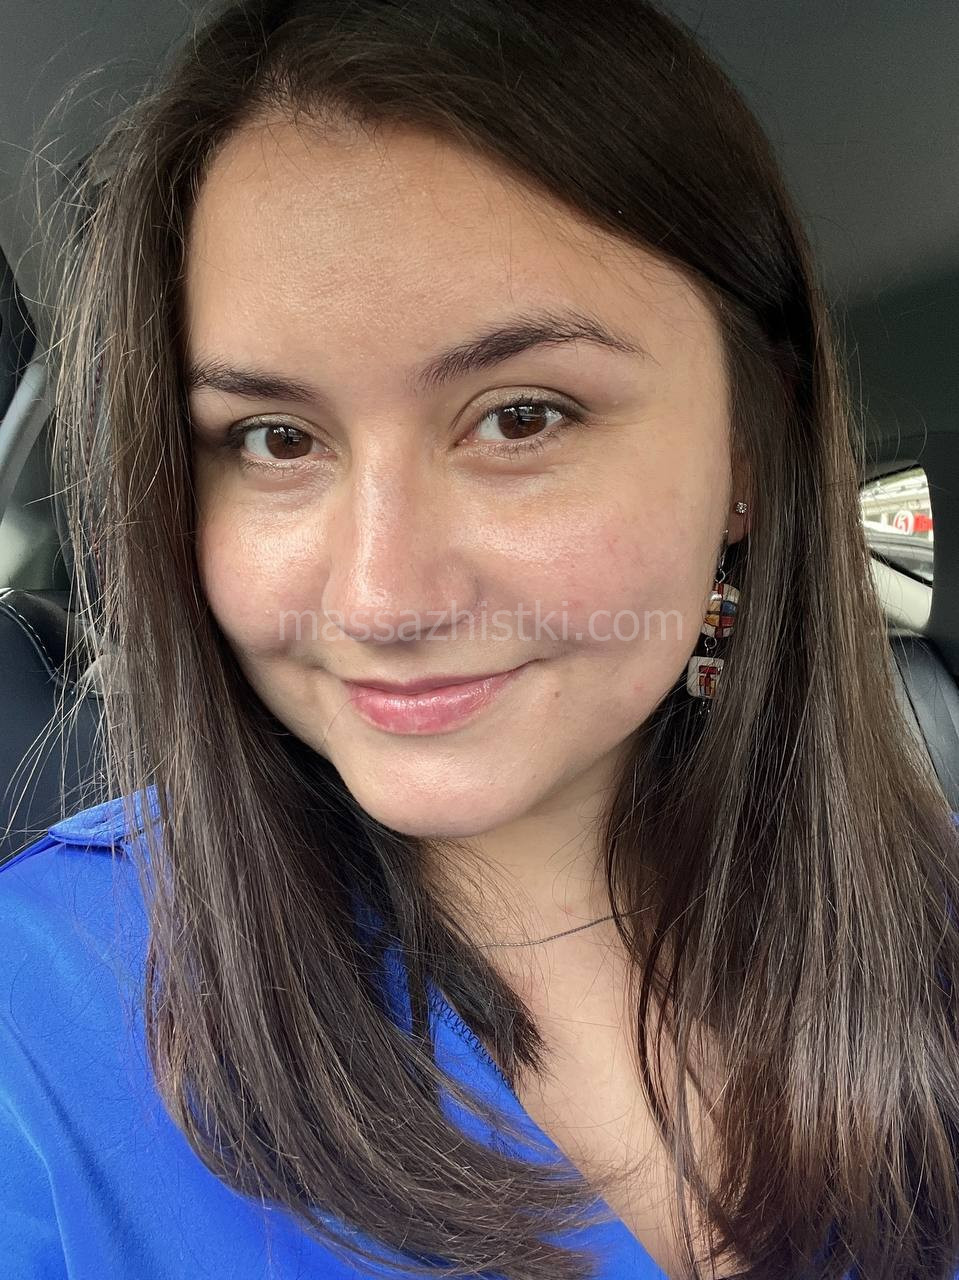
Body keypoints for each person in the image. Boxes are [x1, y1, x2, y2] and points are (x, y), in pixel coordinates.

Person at [2, 1, 958, 1277]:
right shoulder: (35, 1016)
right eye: (275, 439)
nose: (382, 598)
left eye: (520, 416)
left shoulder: (931, 916)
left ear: (747, 444)